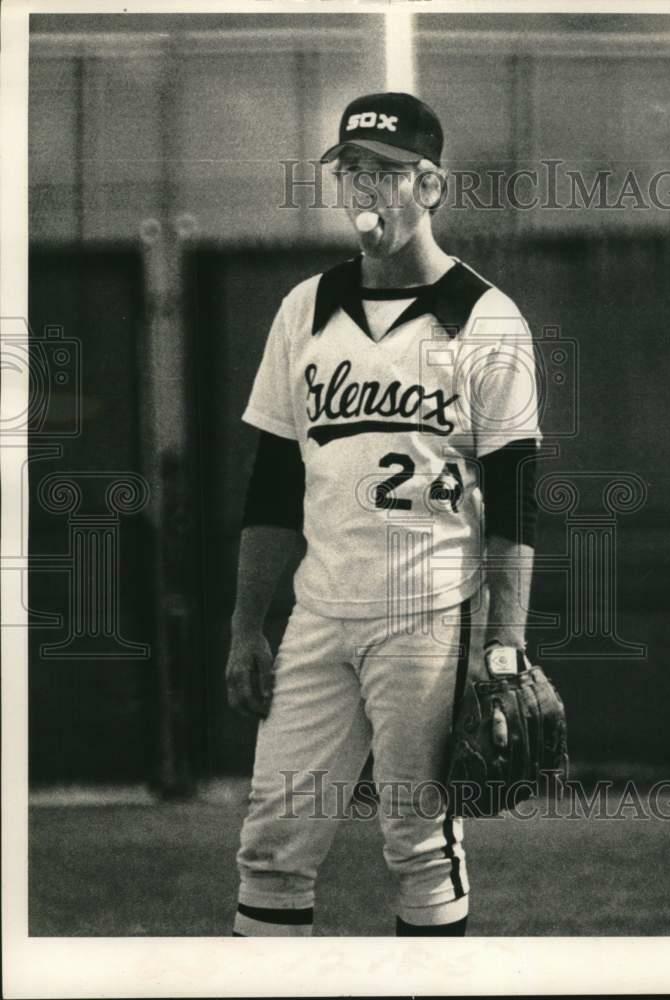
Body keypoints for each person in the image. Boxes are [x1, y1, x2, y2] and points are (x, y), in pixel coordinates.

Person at [226, 92, 541, 937]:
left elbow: (515, 495)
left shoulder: (486, 318)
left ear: (431, 186)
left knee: (419, 844)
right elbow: (270, 484)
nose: (367, 189)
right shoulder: (304, 309)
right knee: (272, 845)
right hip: (319, 616)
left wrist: (504, 647)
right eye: (352, 171)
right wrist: (247, 624)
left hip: (428, 620)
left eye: (389, 174)